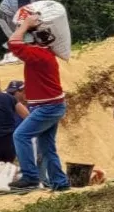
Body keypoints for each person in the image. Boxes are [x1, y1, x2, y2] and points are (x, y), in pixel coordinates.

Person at [8, 15, 70, 191]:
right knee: (47, 146)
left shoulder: (38, 55)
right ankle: (60, 181)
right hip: (51, 105)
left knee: (20, 135)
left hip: (47, 106)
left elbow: (13, 43)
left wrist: (26, 24)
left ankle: (30, 176)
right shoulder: (45, 54)